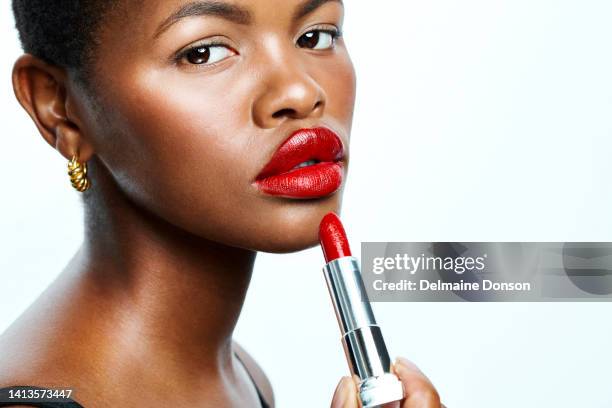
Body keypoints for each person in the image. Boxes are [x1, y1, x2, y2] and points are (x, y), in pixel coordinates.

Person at [0, 0, 444, 406]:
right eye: (204, 53)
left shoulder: (241, 376)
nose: (299, 92)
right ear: (56, 105)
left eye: (316, 36)